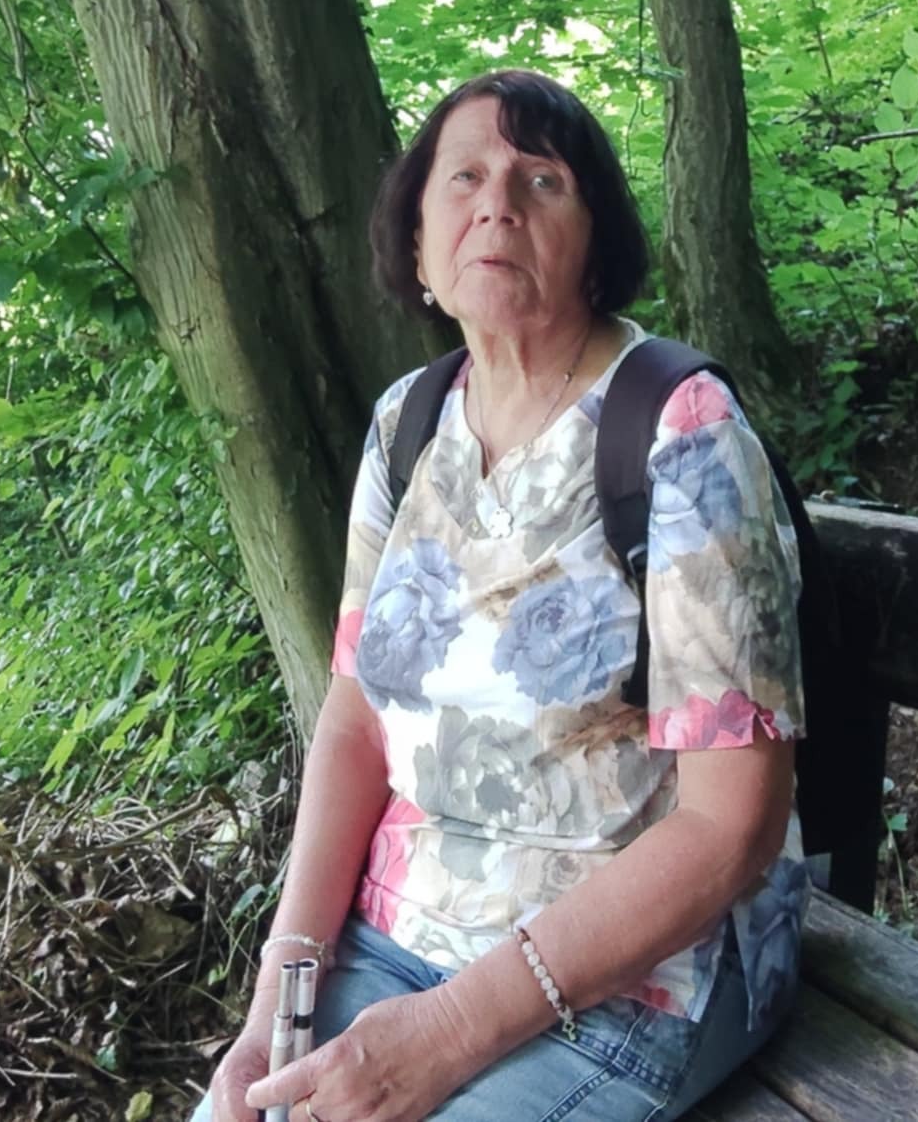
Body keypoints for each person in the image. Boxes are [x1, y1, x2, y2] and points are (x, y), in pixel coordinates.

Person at [202, 69, 807, 1122]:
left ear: (595, 243)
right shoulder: (407, 423)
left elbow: (731, 825)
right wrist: (277, 999)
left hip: (635, 978)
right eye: (465, 178)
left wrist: (446, 1032)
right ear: (419, 245)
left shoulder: (680, 429)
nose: (498, 205)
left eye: (541, 180)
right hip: (390, 940)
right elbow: (355, 717)